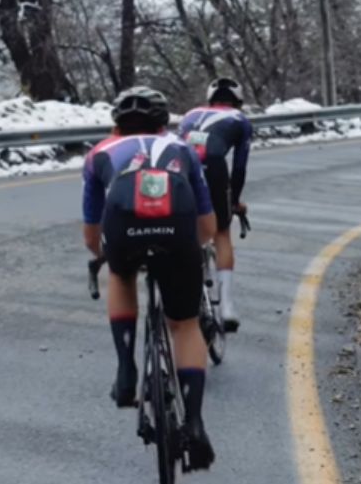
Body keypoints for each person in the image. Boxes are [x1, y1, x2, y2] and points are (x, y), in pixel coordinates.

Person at [82, 85, 216, 470]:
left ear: (116, 124)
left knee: (120, 276)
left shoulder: (99, 154)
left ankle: (126, 370)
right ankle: (193, 420)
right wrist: (185, 249)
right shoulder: (183, 150)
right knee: (185, 324)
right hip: (177, 234)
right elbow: (206, 226)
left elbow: (93, 237)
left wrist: (107, 256)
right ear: (164, 123)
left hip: (123, 230)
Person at [179, 77, 253, 332]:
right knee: (221, 232)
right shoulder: (240, 120)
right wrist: (234, 202)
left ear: (210, 99)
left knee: (185, 227)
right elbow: (240, 168)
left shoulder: (190, 114)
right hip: (214, 168)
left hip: (180, 169)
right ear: (238, 101)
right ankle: (228, 307)